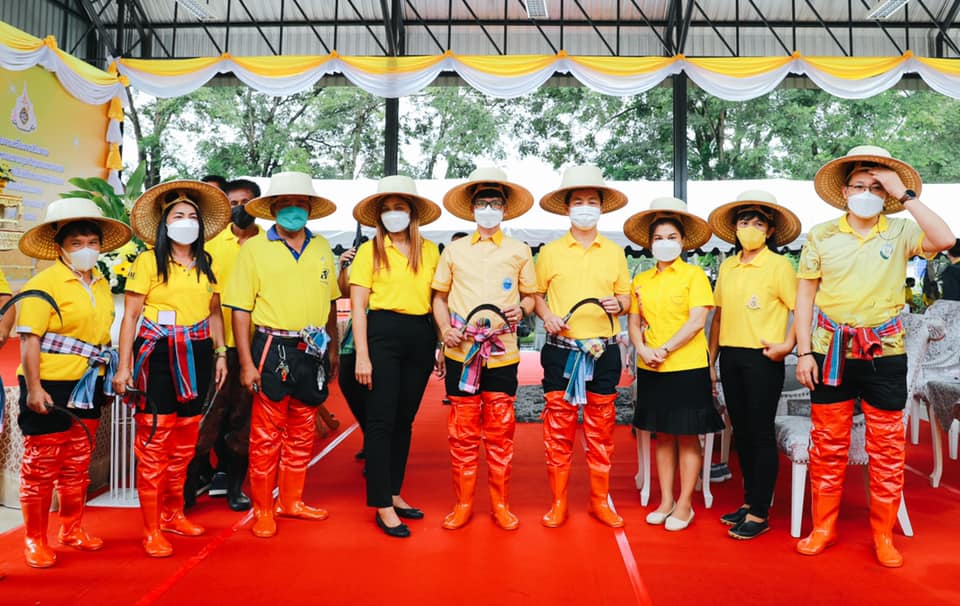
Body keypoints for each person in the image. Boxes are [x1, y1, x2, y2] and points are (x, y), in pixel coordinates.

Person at [796, 145, 955, 567]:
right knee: (827, 443)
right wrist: (804, 351)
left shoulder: (901, 231)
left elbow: (945, 239)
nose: (867, 193)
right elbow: (805, 296)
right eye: (859, 185)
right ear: (845, 191)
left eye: (876, 187)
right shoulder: (821, 235)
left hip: (884, 353)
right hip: (830, 351)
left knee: (886, 446)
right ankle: (823, 527)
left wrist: (904, 193)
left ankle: (883, 533)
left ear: (887, 195)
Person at [113, 180, 231, 557]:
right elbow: (131, 317)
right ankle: (151, 529)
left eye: (192, 216)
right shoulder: (148, 261)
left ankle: (173, 512)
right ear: (165, 223)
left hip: (197, 353)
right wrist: (124, 367)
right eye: (178, 215)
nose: (186, 221)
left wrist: (221, 352)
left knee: (185, 437)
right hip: (158, 355)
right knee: (154, 438)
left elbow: (215, 313)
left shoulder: (207, 263)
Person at [222, 171, 340, 539]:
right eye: (286, 203)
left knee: (303, 429)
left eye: (301, 203)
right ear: (273, 209)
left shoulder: (321, 246)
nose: (294, 209)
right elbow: (240, 309)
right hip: (273, 348)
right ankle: (262, 509)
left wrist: (333, 346)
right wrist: (246, 363)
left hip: (313, 348)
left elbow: (331, 302)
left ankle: (291, 501)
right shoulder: (254, 249)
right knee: (266, 434)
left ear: (310, 208)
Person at [15, 198, 132, 568]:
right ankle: (35, 540)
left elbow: (100, 337)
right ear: (60, 246)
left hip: (89, 382)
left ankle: (71, 528)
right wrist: (35, 387)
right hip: (51, 382)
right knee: (41, 465)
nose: (86, 248)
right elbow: (29, 339)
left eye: (92, 242)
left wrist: (109, 377)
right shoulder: (42, 284)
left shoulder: (100, 283)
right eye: (77, 242)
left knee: (78, 461)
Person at [433, 167, 537, 531]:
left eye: (495, 203)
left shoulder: (519, 250)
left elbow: (531, 295)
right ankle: (462, 503)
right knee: (462, 433)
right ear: (472, 208)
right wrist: (445, 330)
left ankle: (500, 505)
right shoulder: (454, 250)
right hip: (461, 353)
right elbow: (439, 297)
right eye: (482, 202)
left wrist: (522, 308)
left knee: (500, 432)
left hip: (503, 353)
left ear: (505, 209)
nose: (488, 208)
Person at [534, 165, 631, 529]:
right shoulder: (550, 252)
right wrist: (547, 315)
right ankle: (558, 501)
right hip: (562, 349)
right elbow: (535, 295)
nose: (585, 207)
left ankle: (599, 500)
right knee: (558, 428)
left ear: (601, 208)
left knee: (601, 429)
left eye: (592, 201)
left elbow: (626, 298)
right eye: (578, 201)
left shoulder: (615, 252)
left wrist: (618, 304)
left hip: (604, 350)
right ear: (567, 208)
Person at [350, 175, 441, 538]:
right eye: (386, 209)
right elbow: (357, 306)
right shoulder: (368, 251)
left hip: (421, 334)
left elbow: (437, 300)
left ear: (412, 212)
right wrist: (362, 354)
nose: (393, 214)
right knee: (381, 419)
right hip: (382, 333)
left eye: (399, 207)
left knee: (405, 419)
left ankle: (394, 492)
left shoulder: (430, 250)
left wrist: (440, 343)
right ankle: (381, 504)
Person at [625, 197, 723, 532]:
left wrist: (664, 349)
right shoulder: (641, 280)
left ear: (682, 242)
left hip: (687, 366)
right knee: (663, 435)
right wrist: (642, 350)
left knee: (687, 435)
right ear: (649, 243)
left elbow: (697, 321)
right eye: (658, 238)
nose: (664, 243)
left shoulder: (694, 276)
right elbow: (634, 322)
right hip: (651, 367)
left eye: (671, 237)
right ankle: (665, 500)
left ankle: (684, 504)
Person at [707, 190, 801, 539]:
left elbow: (800, 310)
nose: (750, 228)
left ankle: (761, 512)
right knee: (741, 432)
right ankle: (749, 502)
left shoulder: (779, 266)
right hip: (730, 355)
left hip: (763, 358)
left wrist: (787, 345)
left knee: (760, 432)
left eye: (758, 223)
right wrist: (711, 360)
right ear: (735, 228)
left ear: (770, 231)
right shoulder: (728, 266)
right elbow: (718, 317)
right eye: (744, 222)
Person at [190, 178, 262, 511]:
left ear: (257, 204)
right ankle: (192, 484)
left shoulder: (270, 243)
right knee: (207, 417)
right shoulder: (210, 246)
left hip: (256, 344)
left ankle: (235, 486)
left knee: (242, 420)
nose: (239, 209)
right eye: (233, 203)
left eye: (246, 202)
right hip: (216, 345)